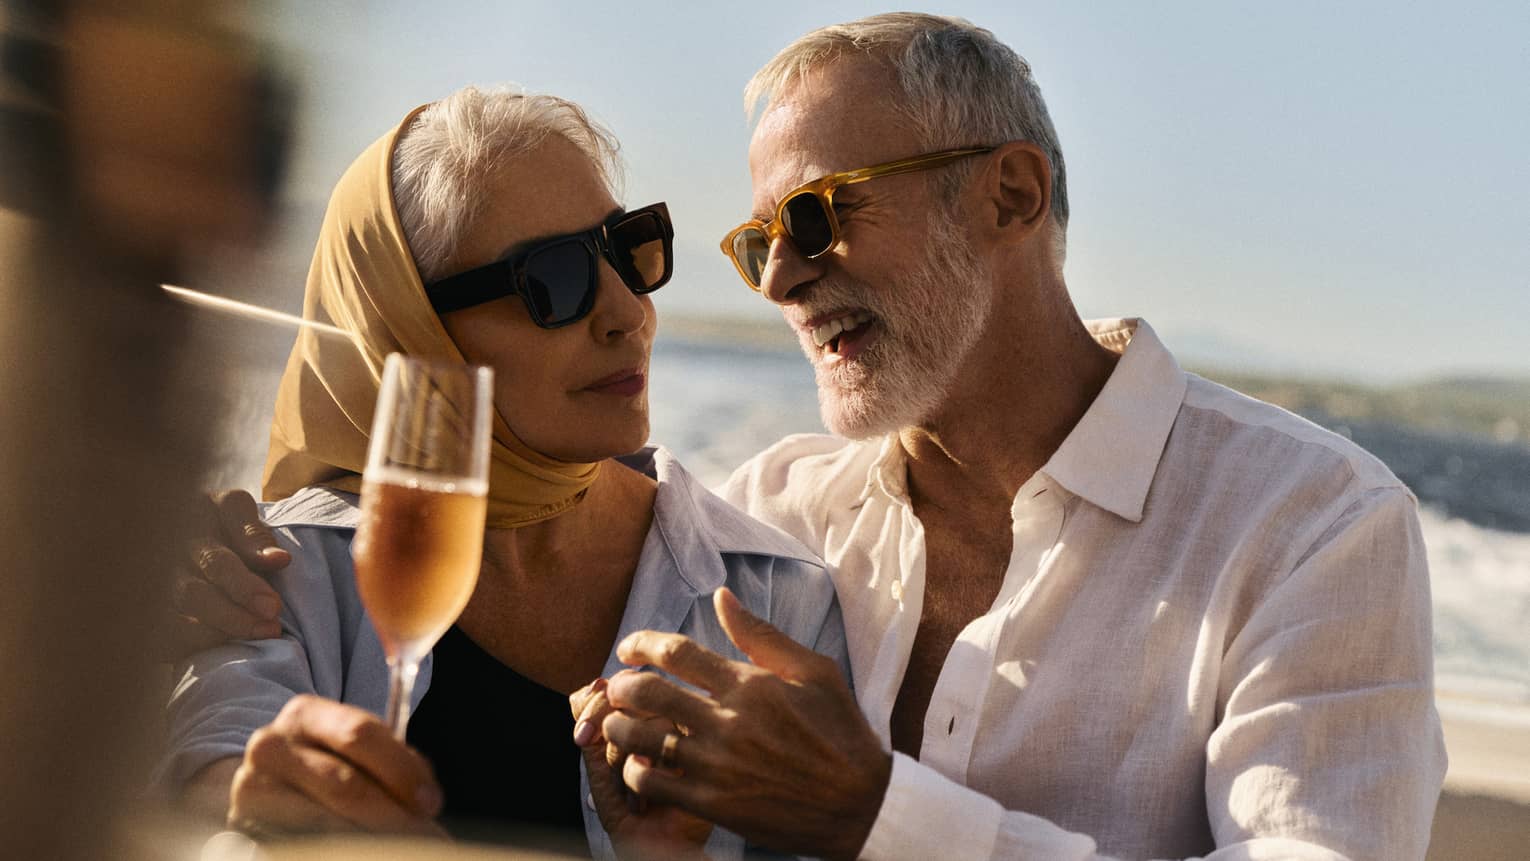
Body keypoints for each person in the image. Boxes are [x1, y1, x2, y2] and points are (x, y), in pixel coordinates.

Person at [185, 14, 1447, 861]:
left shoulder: (1311, 528)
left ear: (1010, 194)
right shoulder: (765, 525)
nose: (780, 281)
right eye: (755, 243)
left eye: (816, 218)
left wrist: (874, 814)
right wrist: (188, 574)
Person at [158, 85, 849, 861]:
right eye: (554, 280)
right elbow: (213, 754)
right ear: (408, 326)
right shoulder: (270, 575)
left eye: (628, 249)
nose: (629, 312)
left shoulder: (773, 596)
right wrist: (240, 802)